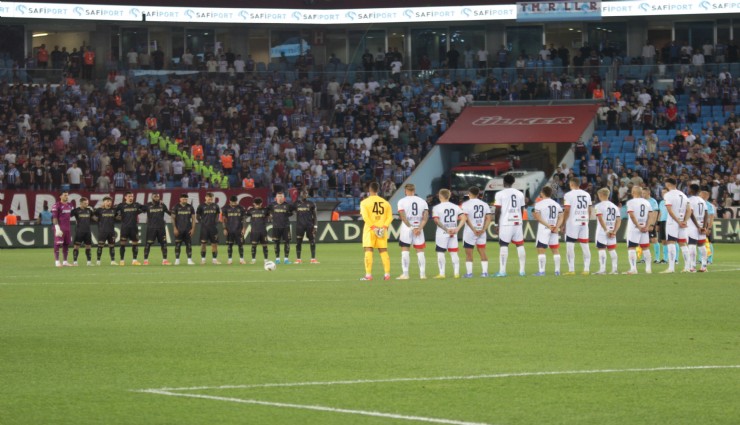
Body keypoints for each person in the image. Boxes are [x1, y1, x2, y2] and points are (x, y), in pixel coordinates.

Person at [493, 174, 526, 277]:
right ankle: (522, 271)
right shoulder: (520, 194)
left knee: (503, 244)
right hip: (517, 222)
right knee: (520, 244)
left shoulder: (499, 194)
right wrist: (519, 220)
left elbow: (497, 210)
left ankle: (502, 271)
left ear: (503, 182)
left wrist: (496, 223)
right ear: (513, 182)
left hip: (506, 222)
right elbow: (521, 209)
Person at [359, 181, 393, 281]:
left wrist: (374, 228)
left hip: (370, 230)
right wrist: (383, 227)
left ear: (369, 190)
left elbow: (365, 217)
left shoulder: (364, 202)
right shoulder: (386, 203)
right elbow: (389, 217)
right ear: (378, 190)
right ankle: (387, 274)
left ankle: (368, 275)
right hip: (382, 230)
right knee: (383, 251)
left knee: (368, 250)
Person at [396, 183, 429, 280]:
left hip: (407, 228)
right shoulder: (423, 201)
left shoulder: (401, 201)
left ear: (405, 191)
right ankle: (422, 275)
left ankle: (405, 274)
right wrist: (419, 228)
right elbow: (425, 217)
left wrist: (411, 228)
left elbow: (403, 217)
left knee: (405, 250)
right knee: (420, 251)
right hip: (419, 228)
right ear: (414, 190)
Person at [431, 188, 466, 279]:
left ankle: (442, 273)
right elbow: (464, 218)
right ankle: (456, 273)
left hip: (442, 233)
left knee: (440, 252)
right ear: (449, 196)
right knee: (454, 253)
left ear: (440, 196)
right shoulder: (456, 207)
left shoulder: (437, 207)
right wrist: (457, 229)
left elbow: (436, 220)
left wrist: (446, 229)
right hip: (453, 232)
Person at [562, 177, 593, 275]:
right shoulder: (587, 194)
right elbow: (589, 209)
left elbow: (567, 210)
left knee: (570, 245)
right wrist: (586, 220)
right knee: (585, 246)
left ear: (571, 184)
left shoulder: (568, 195)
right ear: (578, 184)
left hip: (573, 223)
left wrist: (563, 223)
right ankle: (586, 269)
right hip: (584, 221)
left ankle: (571, 270)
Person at [661, 178, 692, 273]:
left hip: (673, 222)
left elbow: (670, 210)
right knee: (683, 243)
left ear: (668, 184)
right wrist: (685, 221)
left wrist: (678, 221)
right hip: (683, 221)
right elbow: (689, 210)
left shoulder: (668, 195)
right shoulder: (683, 194)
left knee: (671, 242)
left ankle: (671, 268)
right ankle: (687, 267)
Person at [461, 186, 491, 278]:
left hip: (470, 232)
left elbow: (465, 218)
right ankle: (485, 272)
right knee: (482, 251)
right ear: (478, 194)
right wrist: (483, 229)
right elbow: (489, 218)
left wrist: (473, 229)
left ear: (469, 193)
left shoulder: (466, 204)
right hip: (481, 231)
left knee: (469, 253)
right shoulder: (484, 204)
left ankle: (469, 273)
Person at [532, 186, 563, 276]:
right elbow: (561, 216)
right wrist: (557, 227)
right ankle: (557, 271)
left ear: (542, 193)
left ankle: (541, 271)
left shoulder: (539, 204)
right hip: (554, 228)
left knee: (541, 249)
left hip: (544, 228)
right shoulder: (556, 204)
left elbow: (537, 217)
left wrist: (548, 226)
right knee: (555, 249)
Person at [625, 185, 653, 275]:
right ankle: (648, 269)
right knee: (645, 248)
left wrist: (638, 226)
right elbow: (651, 215)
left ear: (633, 192)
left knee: (631, 247)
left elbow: (632, 216)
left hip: (634, 228)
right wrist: (647, 226)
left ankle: (633, 269)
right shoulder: (647, 202)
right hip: (644, 228)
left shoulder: (631, 202)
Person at [593, 188, 621, 275]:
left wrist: (606, 230)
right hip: (612, 230)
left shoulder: (598, 206)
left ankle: (602, 269)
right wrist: (615, 231)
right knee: (612, 249)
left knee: (601, 249)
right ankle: (614, 269)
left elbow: (600, 219)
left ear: (600, 195)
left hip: (602, 231)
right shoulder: (614, 206)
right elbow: (619, 220)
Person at [116, 191, 145, 265]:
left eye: (132, 196)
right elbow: (114, 213)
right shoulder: (121, 205)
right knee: (122, 244)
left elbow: (146, 208)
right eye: (129, 196)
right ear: (125, 197)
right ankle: (122, 261)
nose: (131, 198)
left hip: (134, 227)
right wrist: (118, 217)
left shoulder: (136, 205)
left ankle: (134, 260)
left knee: (135, 244)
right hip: (124, 227)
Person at [143, 193, 171, 266]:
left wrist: (177, 214)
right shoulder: (147, 205)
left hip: (161, 228)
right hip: (151, 228)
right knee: (148, 244)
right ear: (152, 197)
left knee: (164, 244)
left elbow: (169, 213)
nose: (156, 197)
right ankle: (145, 261)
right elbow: (139, 210)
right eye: (155, 196)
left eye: (158, 196)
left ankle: (164, 261)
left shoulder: (162, 205)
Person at [687, 184, 708, 272]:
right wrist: (704, 226)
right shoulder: (702, 200)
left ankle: (693, 266)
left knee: (692, 245)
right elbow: (706, 213)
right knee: (701, 245)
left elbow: (690, 213)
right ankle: (704, 266)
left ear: (691, 190)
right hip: (701, 224)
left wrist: (697, 226)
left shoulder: (690, 200)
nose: (688, 190)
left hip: (693, 226)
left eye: (689, 189)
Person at [269, 191, 294, 264]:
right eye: (278, 196)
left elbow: (292, 212)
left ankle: (286, 259)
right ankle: (277, 259)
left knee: (287, 242)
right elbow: (267, 211)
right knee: (276, 243)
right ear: (275, 198)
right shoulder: (272, 205)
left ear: (284, 198)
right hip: (276, 227)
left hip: (285, 226)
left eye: (281, 196)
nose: (280, 198)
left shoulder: (288, 205)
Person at [294, 191, 319, 264]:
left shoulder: (311, 204)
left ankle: (313, 259)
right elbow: (290, 211)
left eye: (306, 194)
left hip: (309, 226)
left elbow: (315, 216)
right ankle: (298, 259)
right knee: (298, 242)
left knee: (312, 241)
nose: (305, 195)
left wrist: (315, 226)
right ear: (300, 195)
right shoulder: (296, 204)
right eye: (304, 194)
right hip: (299, 226)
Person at [171, 193, 196, 265]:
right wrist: (175, 228)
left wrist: (193, 228)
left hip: (188, 229)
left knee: (189, 245)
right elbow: (173, 218)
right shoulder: (176, 207)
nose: (184, 200)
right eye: (183, 199)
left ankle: (189, 260)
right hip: (179, 229)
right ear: (180, 199)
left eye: (186, 199)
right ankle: (177, 260)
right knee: (177, 245)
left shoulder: (190, 207)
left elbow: (194, 219)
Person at [221, 195, 247, 265]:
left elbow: (244, 219)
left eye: (235, 202)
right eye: (233, 202)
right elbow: (223, 220)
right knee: (230, 245)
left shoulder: (241, 208)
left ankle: (242, 259)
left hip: (239, 230)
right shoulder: (225, 208)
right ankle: (230, 260)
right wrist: (224, 229)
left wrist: (244, 228)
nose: (234, 203)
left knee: (240, 245)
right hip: (229, 230)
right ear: (230, 201)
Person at [197, 192, 221, 265]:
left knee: (214, 244)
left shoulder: (215, 206)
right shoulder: (201, 206)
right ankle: (203, 260)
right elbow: (198, 216)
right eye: (208, 198)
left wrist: (216, 223)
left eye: (211, 198)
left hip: (213, 228)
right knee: (203, 244)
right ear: (205, 197)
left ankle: (214, 260)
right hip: (204, 228)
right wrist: (202, 223)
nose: (210, 199)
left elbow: (217, 215)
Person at [52, 191, 74, 267]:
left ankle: (65, 261)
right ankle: (57, 261)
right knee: (57, 244)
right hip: (60, 228)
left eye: (67, 195)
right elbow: (54, 218)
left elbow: (70, 215)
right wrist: (57, 228)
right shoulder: (56, 205)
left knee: (66, 244)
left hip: (67, 228)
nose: (67, 197)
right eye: (65, 195)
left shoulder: (70, 205)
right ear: (60, 196)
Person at [94, 196, 117, 265]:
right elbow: (92, 216)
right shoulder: (99, 210)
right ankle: (98, 261)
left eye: (110, 201)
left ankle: (112, 261)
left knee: (112, 246)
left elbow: (118, 217)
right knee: (100, 246)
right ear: (104, 202)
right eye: (107, 201)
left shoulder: (114, 210)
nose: (109, 202)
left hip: (111, 231)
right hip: (102, 231)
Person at [71, 197, 94, 266]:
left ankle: (89, 262)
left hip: (87, 231)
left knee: (88, 247)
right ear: (81, 203)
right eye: (85, 203)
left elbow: (95, 218)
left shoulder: (89, 210)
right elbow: (67, 216)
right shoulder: (76, 210)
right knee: (76, 247)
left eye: (87, 203)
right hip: (79, 231)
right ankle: (75, 262)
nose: (87, 204)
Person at [643, 188, 661, 264]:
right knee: (643, 241)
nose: (642, 195)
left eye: (644, 193)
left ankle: (657, 258)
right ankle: (644, 258)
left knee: (654, 240)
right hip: (643, 223)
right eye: (642, 193)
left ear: (648, 193)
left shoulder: (653, 201)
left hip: (650, 223)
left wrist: (652, 224)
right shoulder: (642, 201)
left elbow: (655, 213)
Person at [700, 190, 715, 265]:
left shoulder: (709, 205)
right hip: (700, 224)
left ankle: (709, 259)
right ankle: (701, 259)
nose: (701, 197)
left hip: (707, 224)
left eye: (703, 196)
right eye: (700, 195)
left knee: (708, 242)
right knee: (700, 242)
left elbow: (711, 217)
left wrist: (709, 228)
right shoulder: (698, 204)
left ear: (707, 197)